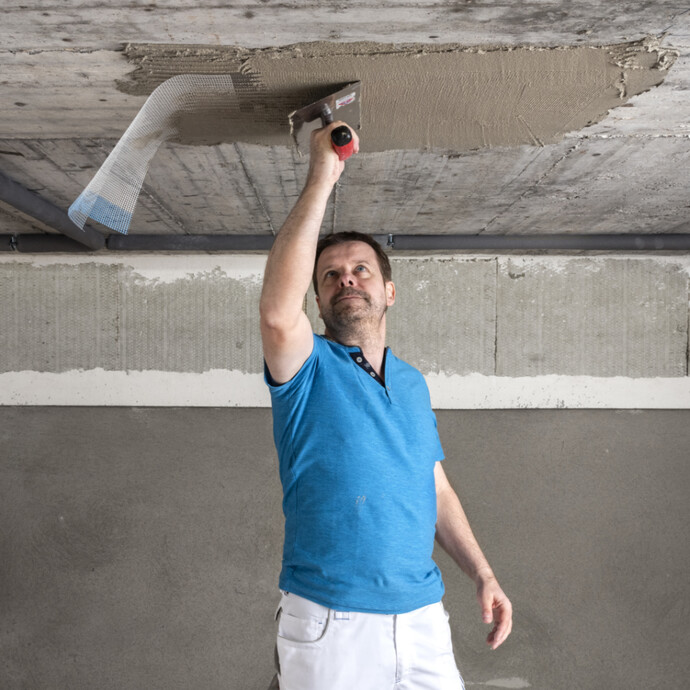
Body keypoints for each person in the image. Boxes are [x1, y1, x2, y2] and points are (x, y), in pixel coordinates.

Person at [260, 121, 512, 690]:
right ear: (318, 298)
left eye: (360, 270)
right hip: (331, 620)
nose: (345, 279)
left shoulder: (413, 384)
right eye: (330, 276)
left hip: (422, 617)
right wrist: (325, 171)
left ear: (389, 291)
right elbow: (278, 313)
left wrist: (482, 572)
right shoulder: (306, 368)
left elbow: (435, 485)